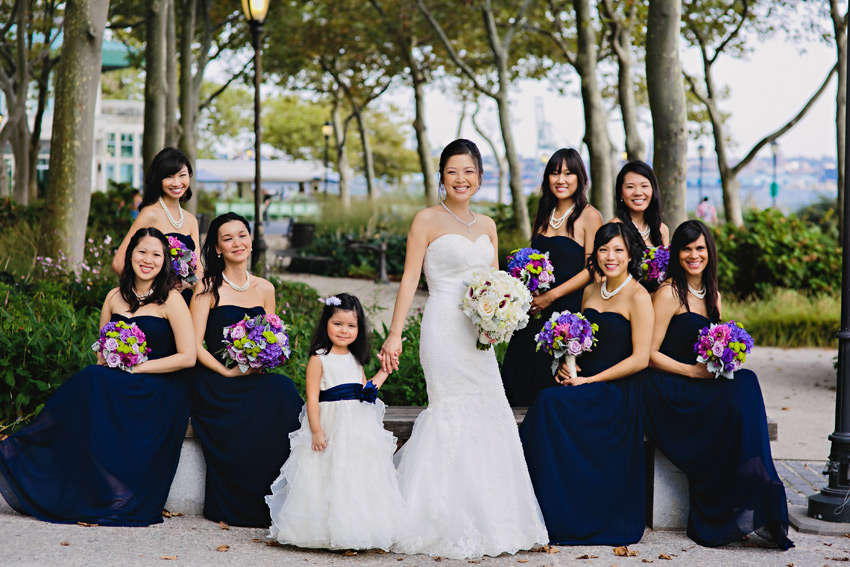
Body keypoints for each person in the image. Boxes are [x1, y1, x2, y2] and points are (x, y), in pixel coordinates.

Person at [379, 139, 548, 559]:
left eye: (469, 172)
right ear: (442, 176)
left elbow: (497, 284)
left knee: (490, 411)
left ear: (480, 177)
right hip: (442, 329)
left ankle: (493, 519)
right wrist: (395, 334)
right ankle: (437, 519)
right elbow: (408, 281)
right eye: (453, 171)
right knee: (449, 413)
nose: (461, 179)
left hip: (480, 336)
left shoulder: (488, 225)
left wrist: (501, 320)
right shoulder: (426, 220)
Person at [0, 228, 195, 526]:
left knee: (92, 381)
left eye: (157, 254)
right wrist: (113, 359)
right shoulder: (114, 297)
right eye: (142, 251)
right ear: (130, 254)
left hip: (160, 383)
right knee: (93, 377)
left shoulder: (171, 300)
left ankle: (23, 446)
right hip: (119, 377)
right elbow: (101, 350)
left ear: (164, 261)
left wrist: (139, 367)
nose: (148, 259)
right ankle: (23, 451)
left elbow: (187, 357)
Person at [638, 220, 793, 550]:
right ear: (676, 253)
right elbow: (648, 354)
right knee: (743, 387)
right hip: (666, 386)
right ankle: (753, 479)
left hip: (698, 382)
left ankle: (755, 477)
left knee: (745, 379)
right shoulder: (668, 293)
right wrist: (693, 373)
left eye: (700, 248)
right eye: (686, 248)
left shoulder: (713, 295)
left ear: (709, 252)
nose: (694, 255)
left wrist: (725, 360)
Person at [520, 222, 653, 545]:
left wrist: (590, 379)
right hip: (585, 381)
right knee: (547, 402)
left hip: (617, 389)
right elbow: (581, 342)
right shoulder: (591, 290)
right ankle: (540, 507)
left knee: (550, 405)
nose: (611, 256)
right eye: (604, 249)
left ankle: (564, 511)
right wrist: (568, 366)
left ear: (631, 254)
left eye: (618, 250)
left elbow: (640, 359)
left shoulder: (639, 296)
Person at [266, 293, 407, 550]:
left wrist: (384, 370)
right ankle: (325, 530)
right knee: (328, 474)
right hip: (330, 423)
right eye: (338, 324)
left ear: (359, 329)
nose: (344, 330)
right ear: (326, 324)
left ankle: (356, 529)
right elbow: (311, 398)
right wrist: (316, 430)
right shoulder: (319, 359)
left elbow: (366, 393)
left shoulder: (355, 359)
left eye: (351, 325)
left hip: (357, 426)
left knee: (354, 475)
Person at [190, 212, 303, 527]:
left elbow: (272, 339)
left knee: (283, 392)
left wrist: (264, 359)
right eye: (228, 238)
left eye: (242, 235)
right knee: (271, 397)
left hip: (251, 377)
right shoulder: (207, 286)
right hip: (215, 380)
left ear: (251, 240)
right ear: (216, 248)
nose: (237, 243)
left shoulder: (265, 288)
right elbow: (194, 345)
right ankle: (237, 504)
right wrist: (226, 372)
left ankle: (279, 499)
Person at [501, 148, 602, 407]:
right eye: (555, 173)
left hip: (566, 315)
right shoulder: (544, 213)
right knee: (518, 377)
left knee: (552, 384)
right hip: (534, 312)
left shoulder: (589, 215)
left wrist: (552, 296)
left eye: (568, 173)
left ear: (580, 178)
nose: (561, 180)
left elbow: (593, 268)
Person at [112, 147, 201, 305]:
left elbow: (198, 270)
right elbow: (119, 263)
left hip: (185, 302)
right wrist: (151, 290)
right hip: (155, 303)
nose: (176, 183)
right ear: (158, 179)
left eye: (182, 175)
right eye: (169, 176)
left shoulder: (191, 220)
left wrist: (186, 283)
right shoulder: (149, 214)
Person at [611, 161, 670, 248]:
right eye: (630, 187)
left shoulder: (662, 230)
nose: (638, 193)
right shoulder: (613, 229)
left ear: (653, 191)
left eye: (644, 186)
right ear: (621, 193)